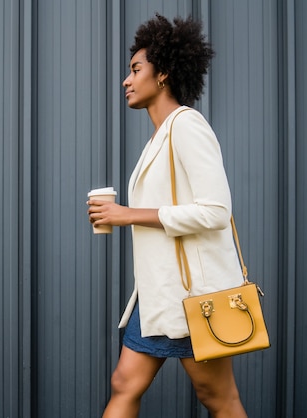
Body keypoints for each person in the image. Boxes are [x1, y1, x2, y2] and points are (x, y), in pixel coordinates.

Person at [87, 14, 248, 418]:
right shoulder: (159, 137)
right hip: (160, 297)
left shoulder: (187, 125)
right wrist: (124, 215)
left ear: (163, 75)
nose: (127, 80)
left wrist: (127, 214)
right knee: (125, 383)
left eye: (136, 69)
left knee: (219, 399)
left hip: (193, 299)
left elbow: (215, 211)